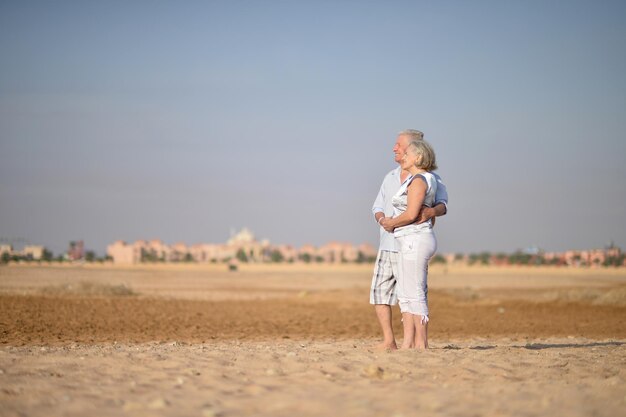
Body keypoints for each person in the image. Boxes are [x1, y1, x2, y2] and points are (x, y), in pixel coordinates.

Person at [370, 130, 447, 350]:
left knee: (414, 292)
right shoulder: (391, 177)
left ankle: (416, 343)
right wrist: (384, 220)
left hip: (412, 239)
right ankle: (396, 342)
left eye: (398, 145)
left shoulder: (426, 178)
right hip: (392, 242)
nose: (395, 149)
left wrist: (429, 213)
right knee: (393, 293)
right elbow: (377, 206)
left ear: (414, 151)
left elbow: (436, 207)